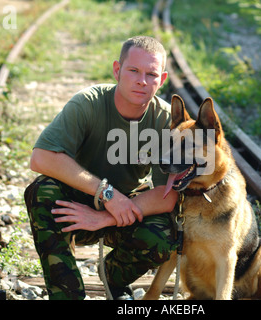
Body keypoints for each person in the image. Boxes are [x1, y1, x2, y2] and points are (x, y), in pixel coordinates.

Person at [24, 36, 179, 300]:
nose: (142, 80)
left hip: (125, 211)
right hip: (77, 203)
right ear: (117, 70)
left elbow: (170, 193)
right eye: (133, 71)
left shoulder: (166, 120)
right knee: (42, 192)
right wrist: (106, 194)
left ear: (161, 79)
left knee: (164, 232)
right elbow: (40, 158)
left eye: (151, 74)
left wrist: (107, 216)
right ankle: (66, 293)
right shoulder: (88, 103)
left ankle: (113, 275)